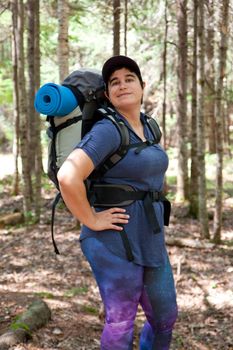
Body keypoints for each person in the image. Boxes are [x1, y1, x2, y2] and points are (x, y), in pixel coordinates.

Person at [57, 55, 178, 350]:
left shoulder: (150, 127)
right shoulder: (108, 129)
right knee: (121, 321)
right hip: (112, 239)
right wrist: (92, 219)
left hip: (149, 236)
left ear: (142, 85)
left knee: (165, 316)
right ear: (109, 94)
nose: (122, 85)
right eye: (114, 82)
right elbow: (68, 175)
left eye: (129, 78)